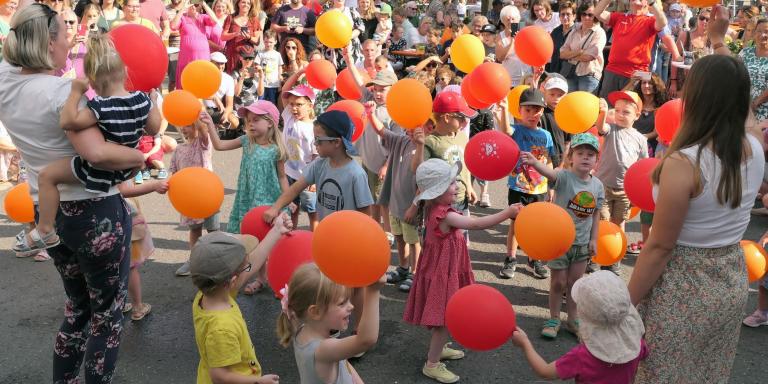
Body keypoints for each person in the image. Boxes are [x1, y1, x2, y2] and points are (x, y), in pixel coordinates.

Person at [0, 4, 146, 381]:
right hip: (94, 209)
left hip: (47, 210)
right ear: (48, 43)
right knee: (108, 312)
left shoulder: (4, 79)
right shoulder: (62, 91)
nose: (70, 42)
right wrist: (138, 156)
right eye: (65, 35)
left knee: (77, 307)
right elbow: (96, 153)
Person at [628, 7, 766, 381]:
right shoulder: (753, 144)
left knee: (663, 372)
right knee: (708, 373)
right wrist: (720, 43)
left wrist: (625, 303)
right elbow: (743, 98)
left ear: (696, 96)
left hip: (682, 285)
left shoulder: (685, 163)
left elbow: (659, 247)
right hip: (729, 278)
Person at [18, 34, 161, 253]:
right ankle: (124, 208)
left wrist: (75, 93)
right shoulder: (142, 99)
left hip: (98, 169)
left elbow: (67, 121)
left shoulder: (99, 108)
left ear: (92, 81)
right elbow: (153, 128)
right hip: (126, 169)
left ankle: (45, 228)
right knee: (119, 188)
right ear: (124, 71)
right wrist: (153, 102)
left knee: (47, 176)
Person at [405, 158, 522, 383]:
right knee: (445, 317)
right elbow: (476, 225)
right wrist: (506, 213)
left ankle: (439, 348)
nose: (457, 186)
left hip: (444, 270)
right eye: (450, 184)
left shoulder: (432, 208)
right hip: (443, 273)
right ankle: (432, 363)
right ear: (436, 192)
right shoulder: (444, 215)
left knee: (446, 313)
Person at [521, 133, 604, 339]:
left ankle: (573, 319)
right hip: (560, 243)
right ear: (571, 157)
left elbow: (595, 214)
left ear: (596, 159)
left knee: (575, 285)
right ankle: (554, 317)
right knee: (558, 283)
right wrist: (534, 162)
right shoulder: (565, 177)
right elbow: (550, 174)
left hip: (582, 244)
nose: (585, 157)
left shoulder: (598, 186)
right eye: (580, 153)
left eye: (590, 154)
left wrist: (594, 239)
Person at [511, 271, 648, 383]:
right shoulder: (636, 343)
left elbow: (545, 371)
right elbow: (645, 354)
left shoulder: (583, 356)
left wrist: (525, 343)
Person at [190, 228, 287, 384]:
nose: (249, 269)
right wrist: (258, 381)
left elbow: (253, 263)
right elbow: (220, 376)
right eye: (246, 268)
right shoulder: (222, 328)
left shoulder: (208, 294)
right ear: (232, 282)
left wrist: (277, 230)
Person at [276, 263, 383, 384]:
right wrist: (373, 291)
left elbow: (343, 363)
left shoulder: (303, 329)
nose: (351, 306)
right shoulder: (323, 349)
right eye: (342, 303)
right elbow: (366, 340)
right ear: (315, 312)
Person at [264, 110, 373, 221]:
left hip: (348, 235)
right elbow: (295, 189)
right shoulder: (319, 164)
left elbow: (366, 213)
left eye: (318, 140)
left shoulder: (356, 174)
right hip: (324, 232)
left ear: (336, 142)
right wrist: (275, 208)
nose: (315, 144)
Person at [207, 101, 288, 236]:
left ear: (269, 123)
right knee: (246, 232)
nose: (250, 123)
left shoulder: (276, 150)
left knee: (263, 230)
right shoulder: (246, 141)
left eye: (256, 120)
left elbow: (282, 177)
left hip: (268, 199)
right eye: (249, 120)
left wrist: (287, 199)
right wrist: (210, 124)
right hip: (247, 196)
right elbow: (219, 146)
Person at [499, 89, 556, 280]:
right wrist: (503, 111)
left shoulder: (546, 136)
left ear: (542, 112)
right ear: (520, 111)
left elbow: (548, 161)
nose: (532, 115)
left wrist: (551, 186)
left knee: (536, 227)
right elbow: (505, 130)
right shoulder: (517, 130)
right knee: (516, 225)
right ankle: (511, 258)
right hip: (518, 186)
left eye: (537, 110)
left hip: (539, 188)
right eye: (528, 110)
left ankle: (534, 259)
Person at [594, 90, 648, 269]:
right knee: (602, 221)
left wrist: (636, 193)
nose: (620, 115)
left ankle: (615, 256)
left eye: (626, 112)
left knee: (618, 224)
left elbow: (643, 168)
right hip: (603, 186)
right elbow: (601, 128)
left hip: (624, 191)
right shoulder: (612, 129)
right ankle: (598, 254)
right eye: (617, 110)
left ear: (637, 115)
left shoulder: (640, 139)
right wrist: (602, 113)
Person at [170, 113, 222, 277]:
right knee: (195, 230)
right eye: (183, 126)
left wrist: (195, 113)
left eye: (189, 125)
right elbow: (174, 173)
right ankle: (194, 260)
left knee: (213, 229)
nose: (185, 129)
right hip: (189, 197)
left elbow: (204, 132)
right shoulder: (178, 149)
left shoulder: (203, 144)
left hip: (208, 193)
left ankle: (218, 260)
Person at [594, 0, 667, 98]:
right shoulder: (619, 17)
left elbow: (663, 23)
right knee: (607, 106)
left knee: (630, 108)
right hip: (613, 69)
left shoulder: (650, 20)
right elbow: (597, 13)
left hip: (638, 73)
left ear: (647, 3)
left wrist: (652, 3)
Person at [119, 178, 169, 321]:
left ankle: (116, 304)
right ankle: (137, 307)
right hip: (123, 218)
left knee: (110, 267)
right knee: (130, 266)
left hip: (101, 221)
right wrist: (154, 185)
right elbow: (123, 191)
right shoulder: (116, 160)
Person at [276, 74, 319, 230]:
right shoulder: (289, 117)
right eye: (292, 104)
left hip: (307, 178)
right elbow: (284, 91)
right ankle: (291, 239)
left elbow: (316, 156)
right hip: (289, 175)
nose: (293, 108)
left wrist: (314, 180)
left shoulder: (314, 128)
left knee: (312, 211)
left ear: (310, 106)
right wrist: (299, 72)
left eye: (299, 104)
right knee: (291, 209)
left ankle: (315, 240)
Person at [560, 0, 606, 93]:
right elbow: (562, 54)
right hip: (571, 73)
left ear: (596, 16)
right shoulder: (574, 30)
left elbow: (588, 57)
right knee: (571, 104)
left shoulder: (599, 32)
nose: (586, 17)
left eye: (590, 15)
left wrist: (570, 55)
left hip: (589, 75)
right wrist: (579, 52)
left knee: (585, 106)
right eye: (584, 14)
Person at [171, 0, 216, 90]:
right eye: (191, 4)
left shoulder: (203, 17)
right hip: (186, 57)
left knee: (202, 83)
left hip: (202, 57)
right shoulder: (182, 18)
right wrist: (183, 8)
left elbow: (215, 21)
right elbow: (173, 26)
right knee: (185, 82)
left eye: (196, 4)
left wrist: (204, 4)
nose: (193, 6)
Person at [221, 0, 263, 73]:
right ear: (238, 4)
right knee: (232, 78)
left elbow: (257, 41)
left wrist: (249, 37)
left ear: (251, 6)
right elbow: (223, 37)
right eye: (243, 2)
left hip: (248, 57)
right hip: (232, 55)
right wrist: (235, 34)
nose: (246, 5)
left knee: (247, 78)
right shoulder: (230, 17)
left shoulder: (254, 19)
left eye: (248, 3)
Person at [739, 18, 768, 123]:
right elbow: (734, 73)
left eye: (766, 31)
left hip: (764, 109)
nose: (762, 35)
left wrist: (755, 103)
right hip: (744, 105)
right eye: (759, 31)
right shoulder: (745, 52)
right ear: (754, 33)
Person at [204, 52, 238, 132]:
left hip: (217, 110)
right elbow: (196, 94)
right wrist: (214, 98)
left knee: (234, 122)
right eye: (217, 63)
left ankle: (216, 129)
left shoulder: (228, 79)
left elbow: (229, 105)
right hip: (202, 109)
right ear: (210, 63)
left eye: (222, 63)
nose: (220, 66)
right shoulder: (203, 75)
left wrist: (225, 115)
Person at [496, 5, 530, 86]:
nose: (510, 22)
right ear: (503, 21)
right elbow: (500, 58)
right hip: (509, 80)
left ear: (518, 19)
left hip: (527, 79)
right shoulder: (500, 36)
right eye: (507, 19)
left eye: (513, 19)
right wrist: (512, 40)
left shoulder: (526, 33)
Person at [546, 1, 574, 74]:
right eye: (562, 14)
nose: (565, 17)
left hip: (571, 73)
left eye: (568, 14)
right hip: (555, 71)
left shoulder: (578, 31)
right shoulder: (555, 31)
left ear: (574, 16)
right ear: (559, 16)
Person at [258, 30, 283, 105]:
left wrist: (279, 82)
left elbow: (279, 67)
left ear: (275, 42)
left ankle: (272, 116)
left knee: (272, 103)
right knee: (261, 102)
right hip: (263, 83)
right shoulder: (260, 53)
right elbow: (256, 65)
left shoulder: (277, 54)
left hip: (273, 84)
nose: (268, 44)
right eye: (266, 42)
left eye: (270, 42)